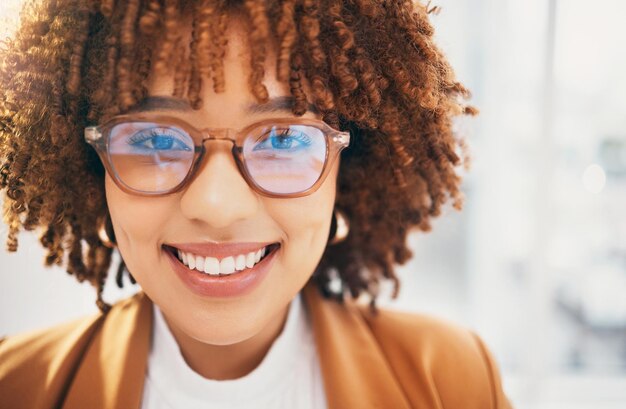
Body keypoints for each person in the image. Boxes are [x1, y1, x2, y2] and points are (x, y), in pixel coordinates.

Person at [0, 0, 512, 408]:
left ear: (346, 175)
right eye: (155, 140)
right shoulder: (14, 388)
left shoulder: (452, 382)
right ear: (94, 175)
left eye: (285, 139)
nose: (217, 205)